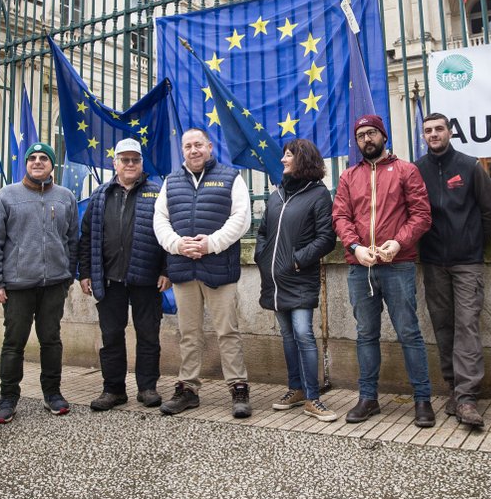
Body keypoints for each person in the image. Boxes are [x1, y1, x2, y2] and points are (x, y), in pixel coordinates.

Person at [332, 114, 435, 428]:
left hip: (398, 264)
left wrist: (398, 243)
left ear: (383, 136)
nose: (366, 139)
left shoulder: (406, 170)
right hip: (360, 268)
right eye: (360, 135)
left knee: (409, 332)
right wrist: (355, 247)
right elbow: (340, 217)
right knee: (366, 334)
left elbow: (421, 214)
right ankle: (368, 398)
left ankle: (422, 399)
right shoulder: (348, 176)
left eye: (371, 133)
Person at [153, 128, 253, 418]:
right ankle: (188, 389)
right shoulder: (171, 182)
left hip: (219, 268)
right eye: (188, 146)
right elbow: (160, 220)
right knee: (188, 333)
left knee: (228, 331)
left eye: (198, 144)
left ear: (210, 147)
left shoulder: (231, 177)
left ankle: (238, 387)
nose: (193, 150)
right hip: (183, 267)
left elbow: (241, 218)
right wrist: (177, 244)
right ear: (182, 150)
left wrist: (211, 243)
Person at [0, 142, 79, 423]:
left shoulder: (66, 197)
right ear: (26, 163)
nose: (37, 162)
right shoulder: (7, 196)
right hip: (17, 286)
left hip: (54, 285)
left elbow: (73, 240)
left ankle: (53, 393)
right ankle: (8, 397)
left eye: (44, 158)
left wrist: (67, 275)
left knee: (51, 340)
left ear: (52, 164)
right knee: (14, 343)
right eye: (32, 158)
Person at [414, 112, 491, 428]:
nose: (434, 134)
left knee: (467, 327)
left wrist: (474, 243)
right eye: (428, 130)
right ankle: (453, 389)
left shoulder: (470, 166)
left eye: (439, 129)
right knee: (443, 326)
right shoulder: (416, 170)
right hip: (433, 261)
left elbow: (489, 210)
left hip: (466, 263)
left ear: (449, 132)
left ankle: (467, 398)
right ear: (423, 136)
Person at [78, 138, 169, 411]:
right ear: (114, 163)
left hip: (146, 278)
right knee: (111, 336)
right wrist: (85, 273)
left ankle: (147, 388)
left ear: (141, 163)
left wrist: (166, 270)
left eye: (135, 160)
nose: (130, 164)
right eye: (124, 159)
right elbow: (86, 236)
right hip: (109, 279)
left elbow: (170, 234)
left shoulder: (157, 193)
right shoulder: (99, 195)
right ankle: (113, 389)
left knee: (149, 335)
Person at [255, 139, 338, 422]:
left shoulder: (318, 194)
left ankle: (313, 398)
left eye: (288, 155)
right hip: (275, 280)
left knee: (303, 334)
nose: (283, 160)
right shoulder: (276, 195)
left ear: (302, 159)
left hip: (300, 277)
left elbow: (326, 238)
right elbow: (263, 232)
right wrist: (262, 256)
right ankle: (296, 389)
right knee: (288, 336)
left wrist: (297, 260)